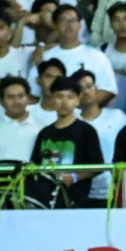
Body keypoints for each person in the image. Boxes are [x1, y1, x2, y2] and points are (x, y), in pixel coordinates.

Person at [28, 75, 103, 208]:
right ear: (52, 99)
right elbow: (35, 165)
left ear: (78, 100)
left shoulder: (86, 131)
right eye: (59, 96)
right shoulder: (44, 133)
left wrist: (73, 178)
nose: (64, 102)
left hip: (76, 201)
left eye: (70, 97)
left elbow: (98, 166)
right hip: (44, 201)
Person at [73, 67, 126, 207]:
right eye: (81, 88)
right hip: (83, 192)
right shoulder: (72, 123)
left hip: (117, 189)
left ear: (96, 88)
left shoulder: (117, 117)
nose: (86, 91)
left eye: (89, 86)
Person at [0, 76, 43, 164]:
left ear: (28, 98)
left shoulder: (40, 128)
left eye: (20, 96)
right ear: (1, 102)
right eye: (10, 97)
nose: (16, 101)